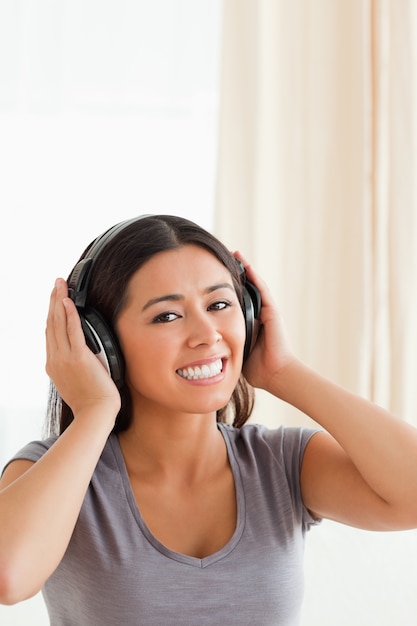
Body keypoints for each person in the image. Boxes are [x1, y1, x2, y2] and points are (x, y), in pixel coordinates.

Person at [1, 214, 417, 626]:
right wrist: (94, 411)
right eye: (167, 315)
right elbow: (9, 577)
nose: (207, 333)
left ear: (250, 316)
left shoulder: (282, 464)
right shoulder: (56, 472)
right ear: (101, 341)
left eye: (219, 305)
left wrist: (284, 372)